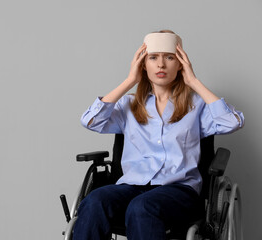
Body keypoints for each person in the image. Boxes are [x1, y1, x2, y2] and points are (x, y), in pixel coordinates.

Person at [73, 30, 244, 240]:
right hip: (131, 187)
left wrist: (194, 82)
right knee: (94, 201)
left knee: (142, 207)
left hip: (178, 190)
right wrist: (129, 81)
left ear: (180, 63)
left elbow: (233, 122)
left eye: (169, 57)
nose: (161, 65)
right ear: (144, 64)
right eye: (153, 58)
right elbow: (90, 121)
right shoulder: (128, 105)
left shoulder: (197, 106)